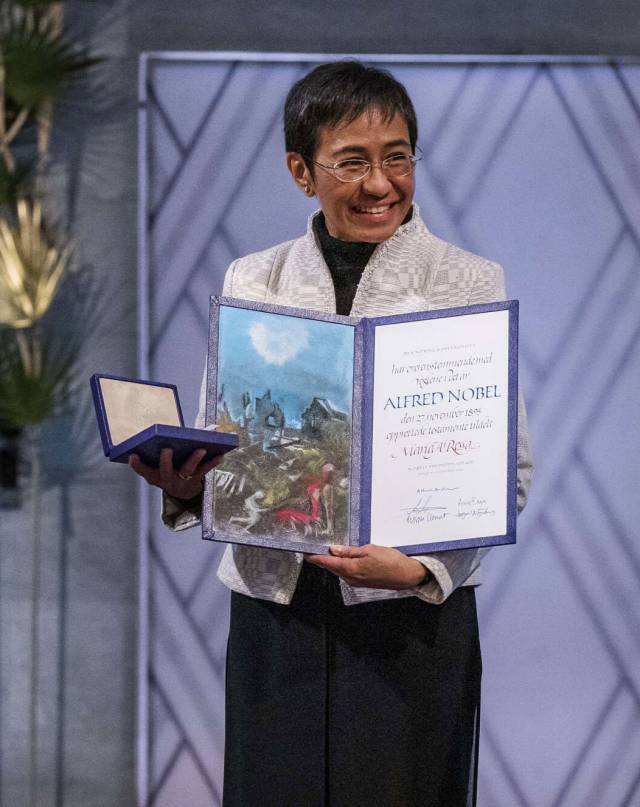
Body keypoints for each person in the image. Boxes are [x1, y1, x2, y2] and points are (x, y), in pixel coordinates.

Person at [130, 60, 533, 807]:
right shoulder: (253, 278)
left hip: (412, 618)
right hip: (274, 610)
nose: (381, 183)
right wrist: (191, 486)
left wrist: (419, 572)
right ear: (301, 171)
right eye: (353, 161)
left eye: (398, 156)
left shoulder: (469, 281)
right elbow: (234, 450)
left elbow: (506, 472)